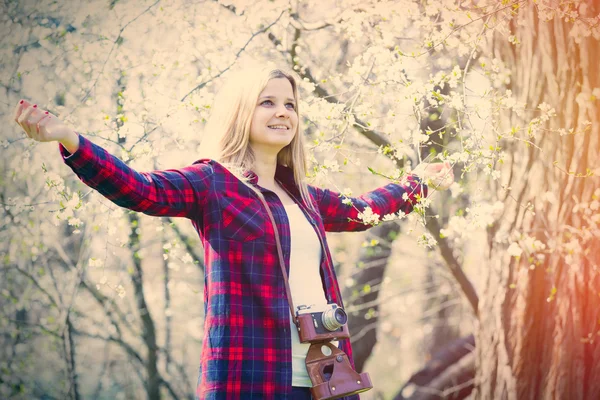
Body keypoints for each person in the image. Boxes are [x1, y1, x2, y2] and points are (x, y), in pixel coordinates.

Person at [14, 66, 454, 400]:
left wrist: (419, 182)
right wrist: (70, 139)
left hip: (323, 378)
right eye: (267, 102)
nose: (282, 112)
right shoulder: (211, 183)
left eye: (290, 104)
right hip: (251, 375)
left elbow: (365, 211)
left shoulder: (302, 196)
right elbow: (139, 189)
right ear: (240, 112)